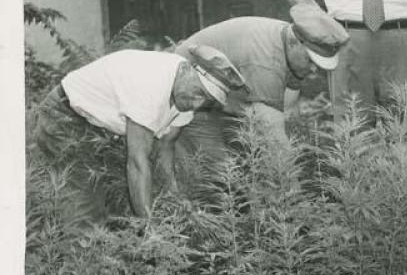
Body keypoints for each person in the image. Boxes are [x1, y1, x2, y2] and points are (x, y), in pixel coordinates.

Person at [32, 45, 247, 224]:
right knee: (86, 209)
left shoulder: (186, 95)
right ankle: (76, 263)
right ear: (187, 70)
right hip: (63, 117)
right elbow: (137, 162)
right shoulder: (151, 84)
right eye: (199, 93)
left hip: (98, 127)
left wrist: (175, 196)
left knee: (118, 203)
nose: (197, 104)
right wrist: (149, 228)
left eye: (207, 102)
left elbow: (165, 147)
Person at [172, 3, 349, 165]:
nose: (313, 70)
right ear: (295, 42)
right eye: (310, 61)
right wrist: (294, 188)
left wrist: (303, 154)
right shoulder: (265, 60)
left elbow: (288, 110)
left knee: (247, 164)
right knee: (221, 174)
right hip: (189, 97)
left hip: (226, 100)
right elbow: (272, 133)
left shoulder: (294, 46)